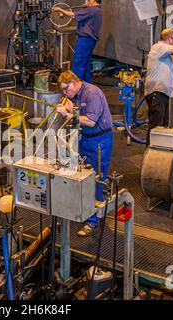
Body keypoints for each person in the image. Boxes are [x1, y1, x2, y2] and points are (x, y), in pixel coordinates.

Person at [56, 70, 113, 237]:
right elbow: (78, 110)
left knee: (95, 180)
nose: (66, 94)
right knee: (81, 175)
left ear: (74, 82)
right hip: (85, 138)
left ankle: (94, 221)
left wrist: (68, 113)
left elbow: (90, 120)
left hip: (99, 141)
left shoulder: (92, 93)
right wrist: (70, 106)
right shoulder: (76, 94)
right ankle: (84, 210)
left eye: (66, 89)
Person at [53, 0, 103, 83]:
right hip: (90, 40)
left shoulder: (92, 10)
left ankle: (76, 88)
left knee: (78, 64)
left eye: (89, 0)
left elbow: (73, 15)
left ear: (94, 1)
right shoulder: (98, 11)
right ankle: (87, 85)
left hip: (85, 40)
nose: (87, 1)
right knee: (85, 64)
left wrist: (60, 10)